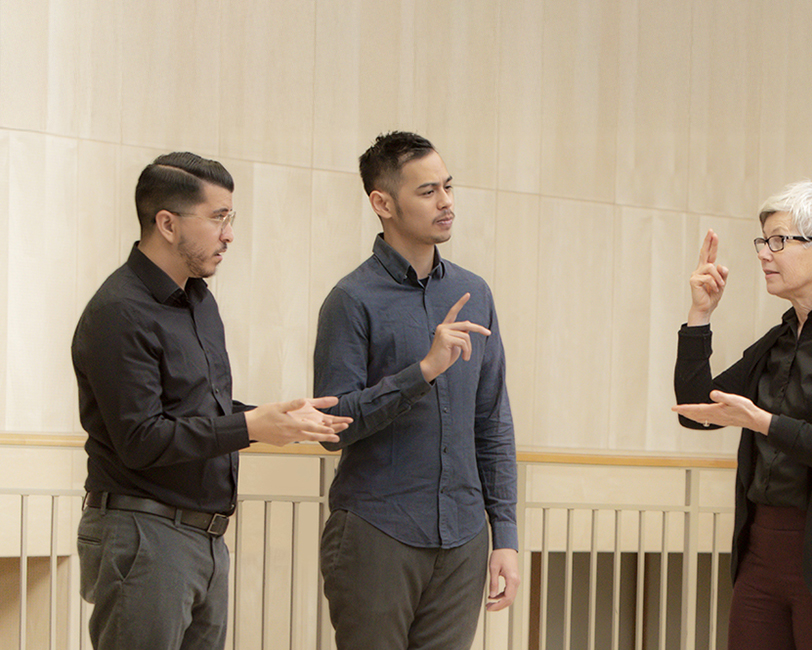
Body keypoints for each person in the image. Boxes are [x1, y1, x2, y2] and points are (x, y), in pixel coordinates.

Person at [71, 152, 352, 650]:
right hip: (143, 533)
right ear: (167, 224)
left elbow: (199, 411)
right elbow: (141, 439)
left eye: (230, 218)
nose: (229, 235)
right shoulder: (119, 310)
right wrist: (251, 427)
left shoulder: (198, 300)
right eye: (218, 217)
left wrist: (274, 418)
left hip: (205, 536)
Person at [673, 181, 812, 649]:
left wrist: (764, 422)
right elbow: (695, 411)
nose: (764, 253)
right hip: (761, 553)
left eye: (779, 240)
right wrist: (700, 316)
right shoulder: (779, 339)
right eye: (763, 241)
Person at [314, 131, 519, 650]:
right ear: (382, 203)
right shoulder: (351, 299)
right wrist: (422, 371)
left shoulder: (474, 292)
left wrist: (506, 537)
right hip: (377, 531)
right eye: (427, 191)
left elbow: (492, 422)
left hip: (464, 538)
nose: (446, 202)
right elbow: (332, 428)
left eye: (447, 186)